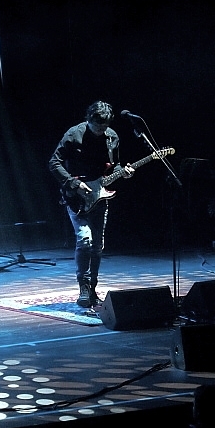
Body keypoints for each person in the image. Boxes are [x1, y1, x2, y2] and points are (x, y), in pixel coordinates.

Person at [49, 100, 133, 308]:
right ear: (89, 120)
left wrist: (123, 172)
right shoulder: (74, 134)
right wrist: (74, 183)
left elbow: (115, 166)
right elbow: (54, 162)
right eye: (96, 127)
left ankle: (93, 287)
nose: (100, 131)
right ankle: (83, 287)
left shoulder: (112, 137)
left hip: (100, 197)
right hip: (76, 197)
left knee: (97, 246)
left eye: (103, 127)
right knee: (84, 240)